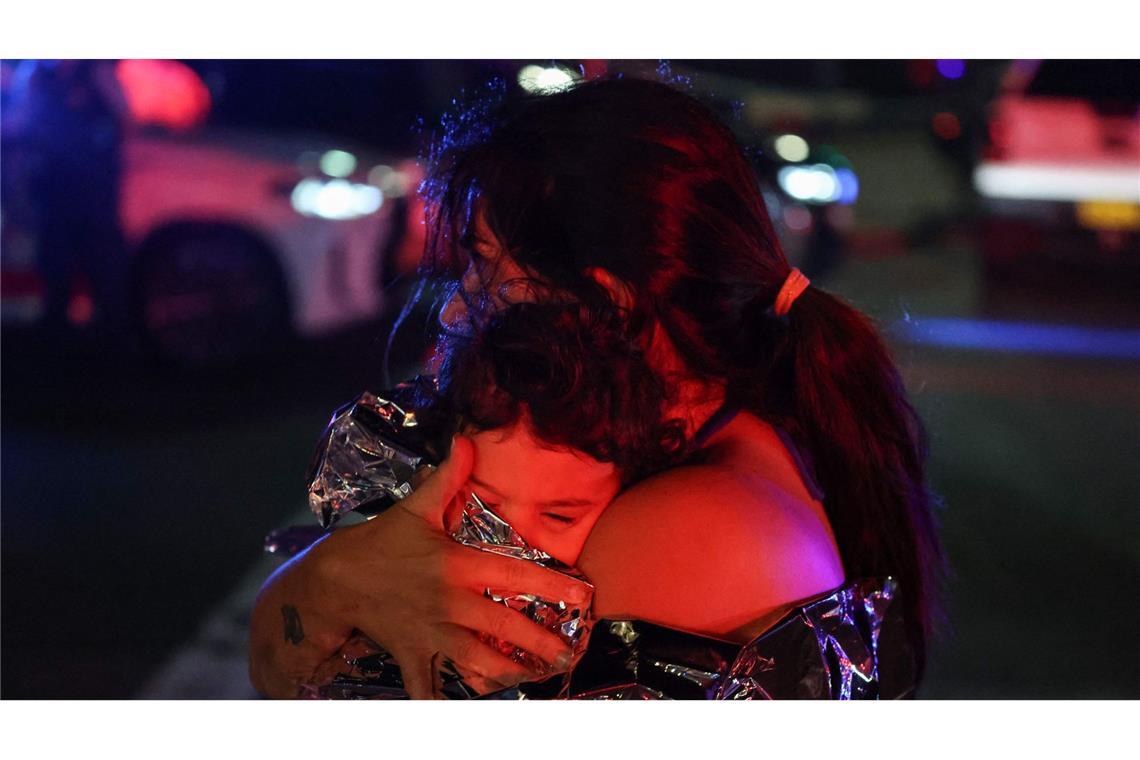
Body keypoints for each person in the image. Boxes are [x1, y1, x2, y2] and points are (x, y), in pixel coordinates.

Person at [249, 76, 945, 699]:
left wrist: (330, 589)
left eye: (486, 264)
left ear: (602, 304)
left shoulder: (689, 525)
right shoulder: (645, 438)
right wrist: (329, 579)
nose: (459, 307)